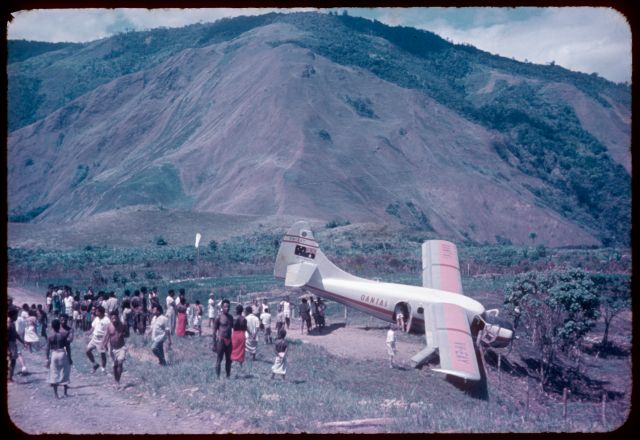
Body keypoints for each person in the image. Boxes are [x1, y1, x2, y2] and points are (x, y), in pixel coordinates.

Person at [102, 310, 129, 387]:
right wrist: (104, 345)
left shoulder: (122, 325)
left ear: (118, 318)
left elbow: (127, 334)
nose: (114, 319)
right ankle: (116, 380)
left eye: (115, 318)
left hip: (121, 347)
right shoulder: (109, 326)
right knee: (114, 366)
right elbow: (106, 336)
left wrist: (123, 334)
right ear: (110, 318)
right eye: (112, 318)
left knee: (120, 362)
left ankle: (118, 381)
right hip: (112, 348)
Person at [46, 319, 71, 398]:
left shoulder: (50, 336)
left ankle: (56, 395)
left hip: (54, 354)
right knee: (65, 372)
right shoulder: (64, 334)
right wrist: (70, 357)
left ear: (52, 326)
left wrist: (47, 358)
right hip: (62, 353)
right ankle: (65, 393)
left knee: (54, 373)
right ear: (59, 325)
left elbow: (47, 348)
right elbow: (68, 347)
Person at [212, 299, 233, 379]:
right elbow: (214, 331)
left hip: (229, 341)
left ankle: (228, 376)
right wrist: (214, 344)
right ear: (222, 307)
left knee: (229, 360)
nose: (227, 308)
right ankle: (218, 377)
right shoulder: (219, 317)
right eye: (225, 307)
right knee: (219, 359)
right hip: (221, 340)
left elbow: (234, 329)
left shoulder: (231, 317)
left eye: (228, 307)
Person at [85, 305, 110, 373]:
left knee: (102, 354)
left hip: (101, 339)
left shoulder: (106, 320)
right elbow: (93, 327)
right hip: (94, 338)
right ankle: (95, 364)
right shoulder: (96, 318)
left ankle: (103, 369)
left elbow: (109, 330)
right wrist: (89, 332)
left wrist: (106, 341)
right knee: (87, 351)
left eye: (97, 311)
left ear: (101, 312)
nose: (95, 312)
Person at [7, 308, 26, 382]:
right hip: (10, 344)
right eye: (16, 315)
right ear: (12, 316)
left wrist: (22, 341)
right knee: (12, 361)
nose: (17, 317)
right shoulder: (9, 324)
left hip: (12, 344)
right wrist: (8, 349)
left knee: (13, 360)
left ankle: (10, 377)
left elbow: (15, 334)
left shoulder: (12, 323)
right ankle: (9, 378)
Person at [231, 304, 247, 375]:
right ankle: (240, 364)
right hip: (242, 334)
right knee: (241, 349)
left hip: (235, 334)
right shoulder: (244, 319)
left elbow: (233, 327)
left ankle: (232, 363)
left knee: (233, 349)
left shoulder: (234, 318)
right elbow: (245, 328)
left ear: (237, 311)